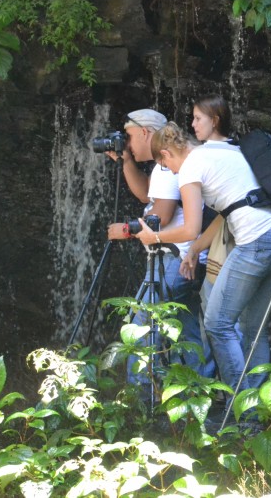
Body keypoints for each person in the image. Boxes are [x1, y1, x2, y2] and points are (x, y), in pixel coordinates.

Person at [138, 95, 271, 394]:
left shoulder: (190, 167)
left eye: (166, 166)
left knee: (217, 324)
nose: (172, 173)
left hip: (256, 241)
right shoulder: (226, 148)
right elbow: (228, 212)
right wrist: (196, 249)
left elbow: (190, 227)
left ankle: (242, 406)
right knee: (254, 328)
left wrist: (154, 237)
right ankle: (258, 406)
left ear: (166, 154)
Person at [104, 109, 214, 381]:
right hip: (187, 257)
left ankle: (141, 394)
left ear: (145, 132)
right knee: (185, 331)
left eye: (129, 137)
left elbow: (161, 216)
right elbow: (148, 195)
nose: (127, 143)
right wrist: (126, 161)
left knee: (142, 326)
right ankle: (194, 389)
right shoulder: (166, 163)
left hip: (174, 259)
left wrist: (128, 230)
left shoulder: (167, 165)